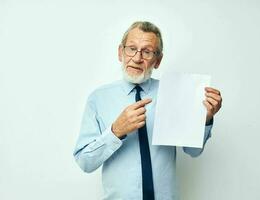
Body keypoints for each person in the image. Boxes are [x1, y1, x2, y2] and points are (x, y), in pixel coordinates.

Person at [73, 21, 222, 200]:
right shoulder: (98, 98)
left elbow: (193, 152)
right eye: (132, 48)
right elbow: (85, 162)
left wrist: (204, 120)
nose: (137, 58)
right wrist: (116, 131)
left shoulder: (174, 93)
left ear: (157, 60)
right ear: (121, 52)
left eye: (147, 51)